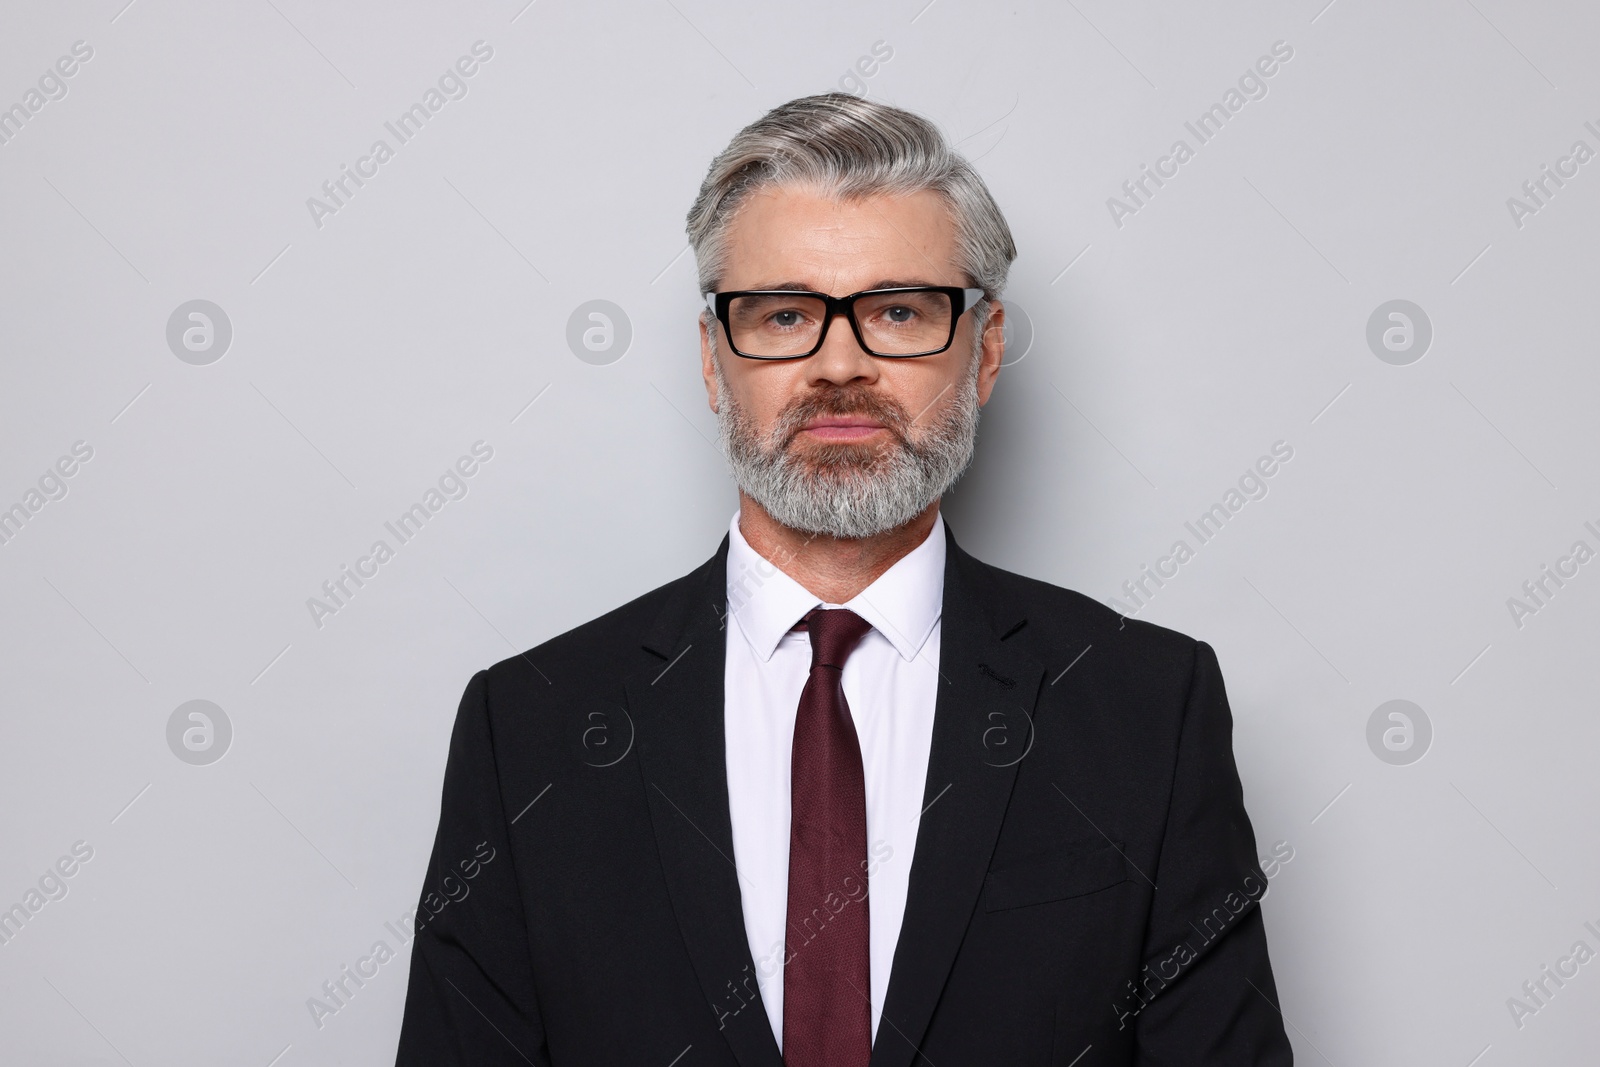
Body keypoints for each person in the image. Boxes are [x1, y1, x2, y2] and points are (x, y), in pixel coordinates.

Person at [394, 92, 1293, 1066]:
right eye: (783, 314)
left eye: (898, 311)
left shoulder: (1145, 711)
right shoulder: (527, 729)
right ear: (711, 359)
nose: (838, 365)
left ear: (983, 349)